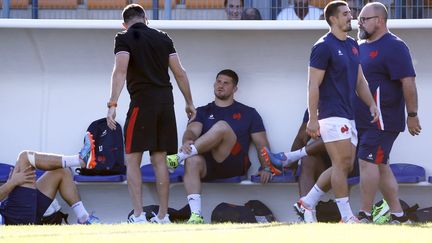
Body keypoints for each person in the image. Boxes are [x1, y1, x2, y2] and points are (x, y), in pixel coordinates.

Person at [106, 4, 195, 224]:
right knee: (159, 160)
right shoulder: (163, 38)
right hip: (166, 103)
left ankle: (138, 216)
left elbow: (121, 70)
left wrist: (113, 103)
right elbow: (180, 73)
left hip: (142, 103)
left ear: (124, 24)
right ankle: (163, 216)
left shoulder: (124, 37)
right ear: (146, 19)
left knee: (132, 160)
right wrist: (189, 102)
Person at [298, 1, 379, 223]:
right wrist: (313, 118)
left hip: (348, 113)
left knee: (342, 165)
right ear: (333, 19)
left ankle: (307, 202)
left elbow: (359, 79)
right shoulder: (323, 46)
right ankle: (346, 216)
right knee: (342, 164)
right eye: (345, 14)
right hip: (331, 114)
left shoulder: (353, 44)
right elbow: (312, 85)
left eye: (350, 13)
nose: (350, 17)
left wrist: (371, 103)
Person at [166, 69, 273, 224]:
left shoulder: (249, 113)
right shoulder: (203, 111)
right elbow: (191, 131)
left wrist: (267, 167)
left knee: (222, 126)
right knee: (192, 161)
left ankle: (179, 158)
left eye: (226, 83)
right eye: (218, 81)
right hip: (208, 165)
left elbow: (261, 144)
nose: (220, 85)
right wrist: (187, 141)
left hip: (234, 164)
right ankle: (195, 215)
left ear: (234, 89)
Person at [355, 2, 421, 224]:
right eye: (359, 18)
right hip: (364, 119)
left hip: (382, 120)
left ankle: (364, 214)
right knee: (380, 166)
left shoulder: (395, 46)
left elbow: (408, 82)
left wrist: (412, 115)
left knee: (367, 162)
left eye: (364, 19)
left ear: (379, 20)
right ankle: (399, 216)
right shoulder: (361, 45)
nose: (359, 22)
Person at [0, 133, 100, 225]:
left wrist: (11, 184)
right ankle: (80, 160)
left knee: (62, 171)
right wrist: (12, 182)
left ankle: (84, 218)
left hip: (12, 212)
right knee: (24, 158)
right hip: (11, 219)